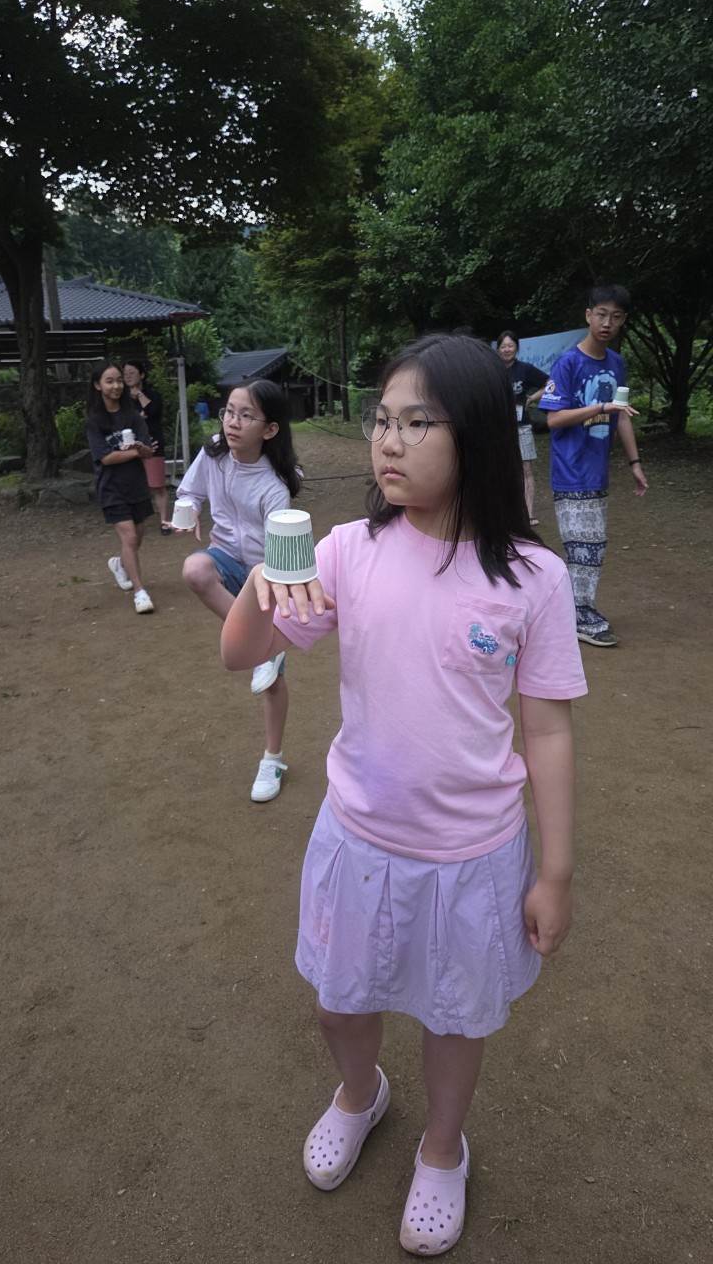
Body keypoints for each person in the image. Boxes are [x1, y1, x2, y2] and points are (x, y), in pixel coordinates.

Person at [220, 334, 587, 1256]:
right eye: (382, 419)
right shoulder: (348, 552)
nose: (389, 440)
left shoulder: (532, 578)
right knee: (339, 1002)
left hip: (472, 855)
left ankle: (442, 1146)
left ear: (478, 437)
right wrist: (261, 585)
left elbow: (547, 731)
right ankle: (361, 1093)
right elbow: (242, 655)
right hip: (358, 836)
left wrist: (555, 873)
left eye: (418, 422)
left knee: (455, 1018)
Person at [173, 379, 300, 802]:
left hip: (266, 575)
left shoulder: (274, 487)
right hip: (225, 559)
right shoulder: (213, 456)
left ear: (270, 429)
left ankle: (273, 758)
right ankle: (264, 645)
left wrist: (274, 598)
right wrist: (189, 510)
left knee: (270, 684)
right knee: (195, 569)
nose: (232, 422)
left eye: (246, 416)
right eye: (229, 411)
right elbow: (190, 490)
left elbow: (282, 560)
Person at [539, 285, 649, 647]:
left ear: (623, 321)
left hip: (597, 471)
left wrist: (634, 463)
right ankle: (578, 614)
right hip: (570, 469)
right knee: (584, 546)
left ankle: (574, 610)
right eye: (601, 314)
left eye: (615, 317)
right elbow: (554, 419)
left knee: (592, 546)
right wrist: (600, 408)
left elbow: (623, 416)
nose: (607, 323)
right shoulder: (568, 363)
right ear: (588, 315)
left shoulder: (617, 364)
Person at [86, 360, 158, 614]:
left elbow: (148, 451)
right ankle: (140, 592)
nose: (116, 386)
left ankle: (120, 564)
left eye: (119, 380)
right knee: (129, 537)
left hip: (136, 484)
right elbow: (105, 458)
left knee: (137, 536)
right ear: (98, 385)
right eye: (109, 381)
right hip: (111, 487)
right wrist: (135, 452)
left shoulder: (133, 416)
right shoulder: (95, 421)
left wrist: (142, 449)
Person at [496, 330, 547, 525]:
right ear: (498, 349)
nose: (507, 349)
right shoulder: (492, 370)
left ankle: (528, 514)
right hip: (498, 428)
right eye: (503, 346)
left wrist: (532, 398)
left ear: (516, 348)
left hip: (522, 426)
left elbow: (550, 383)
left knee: (526, 470)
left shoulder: (525, 369)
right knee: (502, 470)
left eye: (510, 345)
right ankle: (505, 513)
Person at [122, 360, 170, 532]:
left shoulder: (152, 395)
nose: (128, 376)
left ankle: (164, 521)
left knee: (157, 485)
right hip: (130, 446)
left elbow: (154, 411)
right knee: (132, 485)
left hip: (153, 443)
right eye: (125, 374)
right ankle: (135, 521)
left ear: (142, 375)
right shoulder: (121, 398)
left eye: (132, 373)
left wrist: (140, 396)